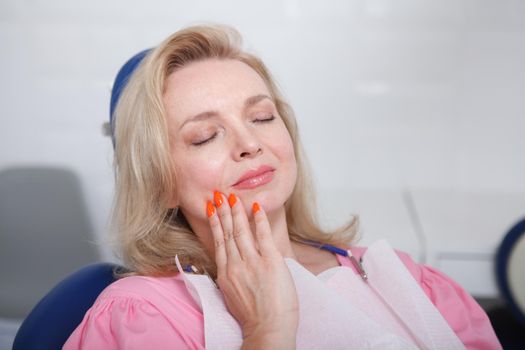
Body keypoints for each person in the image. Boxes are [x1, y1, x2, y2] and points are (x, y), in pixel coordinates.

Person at [64, 25, 501, 349]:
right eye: (205, 135)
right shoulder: (140, 318)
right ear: (161, 185)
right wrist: (266, 331)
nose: (250, 144)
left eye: (262, 117)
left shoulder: (411, 281)